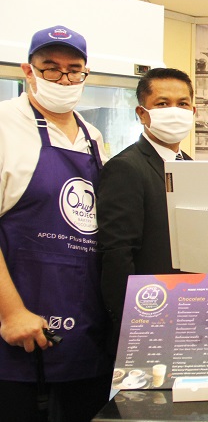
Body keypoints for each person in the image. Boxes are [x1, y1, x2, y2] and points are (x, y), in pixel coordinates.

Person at [0, 25, 112, 421]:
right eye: (50, 68)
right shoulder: (4, 125)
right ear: (27, 71)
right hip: (18, 330)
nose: (63, 79)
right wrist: (11, 313)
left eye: (73, 69)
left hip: (84, 327)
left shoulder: (93, 136)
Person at [97, 68, 195, 350]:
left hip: (191, 311)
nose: (174, 111)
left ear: (193, 110)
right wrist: (130, 321)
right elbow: (116, 254)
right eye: (162, 104)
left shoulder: (190, 167)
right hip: (146, 317)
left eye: (182, 104)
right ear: (142, 113)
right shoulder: (126, 167)